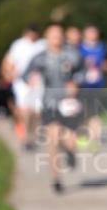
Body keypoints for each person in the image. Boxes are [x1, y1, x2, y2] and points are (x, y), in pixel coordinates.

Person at [23, 23, 84, 193]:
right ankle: (56, 179)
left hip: (70, 102)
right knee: (53, 138)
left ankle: (70, 152)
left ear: (63, 37)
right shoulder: (40, 58)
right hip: (50, 102)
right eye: (52, 35)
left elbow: (83, 72)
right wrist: (30, 79)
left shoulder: (72, 55)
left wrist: (76, 82)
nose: (56, 38)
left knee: (70, 139)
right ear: (47, 38)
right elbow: (26, 74)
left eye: (59, 35)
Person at [1, 25, 46, 148]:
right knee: (24, 109)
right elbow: (9, 60)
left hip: (38, 83)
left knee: (37, 111)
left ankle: (32, 133)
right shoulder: (18, 45)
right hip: (21, 82)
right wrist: (8, 73)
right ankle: (24, 138)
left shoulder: (42, 44)